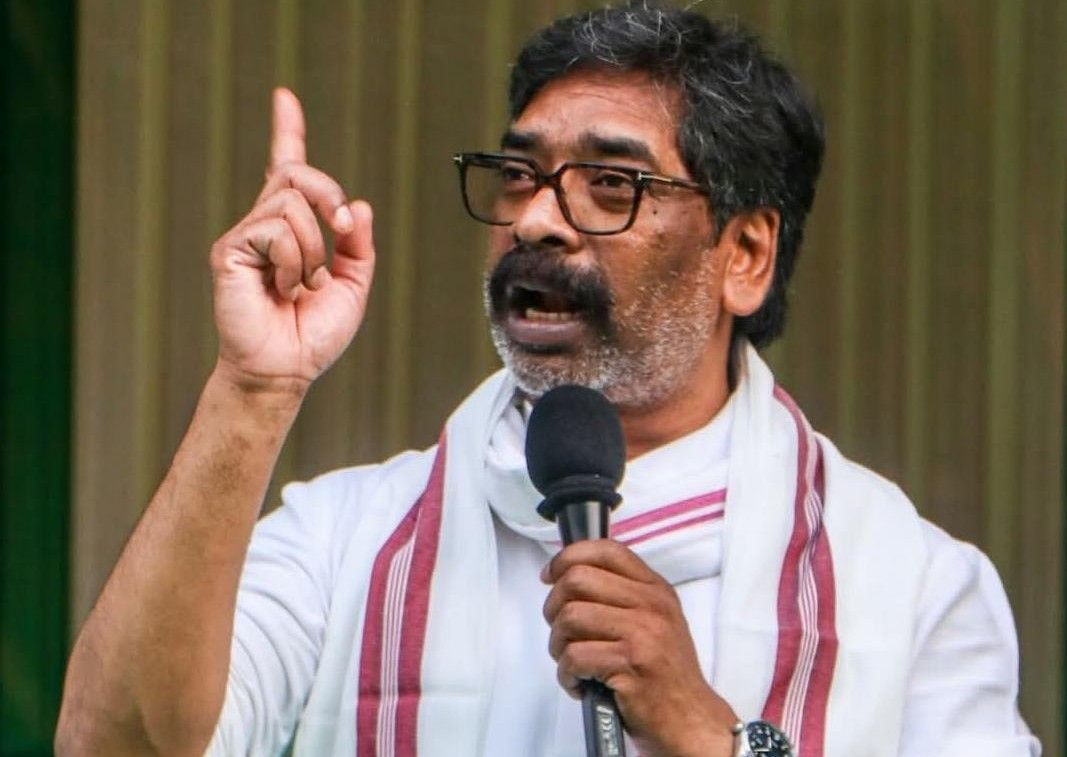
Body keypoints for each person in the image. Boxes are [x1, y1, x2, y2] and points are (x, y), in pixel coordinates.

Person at [56, 5, 1040, 757]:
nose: (534, 219)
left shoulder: (911, 587)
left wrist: (704, 733)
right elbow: (114, 746)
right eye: (521, 174)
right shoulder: (344, 539)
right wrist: (253, 387)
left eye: (611, 184)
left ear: (743, 254)